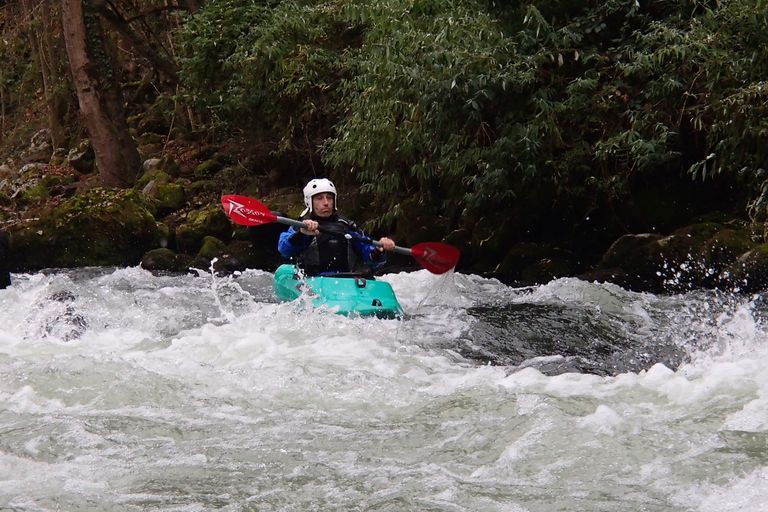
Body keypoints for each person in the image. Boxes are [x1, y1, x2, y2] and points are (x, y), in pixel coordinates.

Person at [278, 178, 395, 275]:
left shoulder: (347, 226)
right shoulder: (302, 225)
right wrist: (301, 234)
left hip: (345, 281)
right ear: (310, 202)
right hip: (312, 281)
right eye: (319, 198)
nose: (326, 203)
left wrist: (379, 250)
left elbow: (371, 258)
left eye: (329, 197)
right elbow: (284, 250)